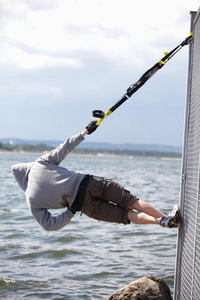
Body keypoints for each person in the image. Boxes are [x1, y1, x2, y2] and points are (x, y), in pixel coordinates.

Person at [11, 121, 181, 231]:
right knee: (132, 202)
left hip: (83, 205)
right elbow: (65, 147)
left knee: (126, 215)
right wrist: (85, 131)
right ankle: (167, 218)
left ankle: (163, 223)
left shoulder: (31, 200)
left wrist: (70, 211)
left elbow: (49, 225)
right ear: (27, 167)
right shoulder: (40, 163)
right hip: (90, 184)